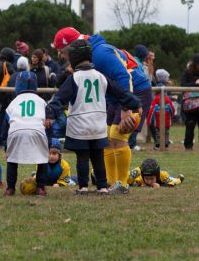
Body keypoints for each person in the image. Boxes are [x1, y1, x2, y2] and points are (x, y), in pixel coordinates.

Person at [52, 27, 142, 194]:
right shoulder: (93, 71)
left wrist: (128, 108)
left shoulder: (99, 54)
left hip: (134, 87)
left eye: (63, 52)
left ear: (73, 50)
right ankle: (106, 184)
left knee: (116, 135)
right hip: (116, 98)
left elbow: (123, 77)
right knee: (105, 142)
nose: (63, 57)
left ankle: (119, 184)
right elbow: (113, 88)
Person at [2, 71, 50, 196]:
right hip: (37, 130)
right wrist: (48, 143)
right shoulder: (41, 101)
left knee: (12, 159)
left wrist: (6, 147)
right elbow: (48, 121)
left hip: (16, 130)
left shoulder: (13, 102)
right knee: (42, 159)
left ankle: (10, 188)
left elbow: (5, 124)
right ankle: (40, 188)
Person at [0, 47, 16, 149]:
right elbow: (15, 76)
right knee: (4, 119)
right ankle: (1, 141)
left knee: (2, 118)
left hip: (1, 95)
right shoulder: (7, 65)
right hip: (6, 96)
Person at [147, 69, 175, 150]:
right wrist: (172, 115)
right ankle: (165, 144)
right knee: (165, 132)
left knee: (158, 133)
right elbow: (172, 109)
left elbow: (151, 111)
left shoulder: (155, 99)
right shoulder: (167, 98)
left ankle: (158, 145)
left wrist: (149, 121)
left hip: (158, 120)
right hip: (166, 120)